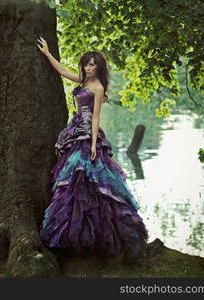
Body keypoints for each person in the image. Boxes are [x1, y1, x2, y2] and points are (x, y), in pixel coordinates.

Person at [36, 36, 148, 259]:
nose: (88, 68)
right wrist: (48, 54)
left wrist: (94, 143)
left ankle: (98, 237)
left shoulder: (97, 87)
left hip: (88, 134)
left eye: (92, 64)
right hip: (75, 130)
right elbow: (63, 71)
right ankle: (69, 234)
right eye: (86, 64)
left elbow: (96, 117)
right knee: (72, 180)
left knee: (90, 179)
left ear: (99, 67)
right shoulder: (82, 82)